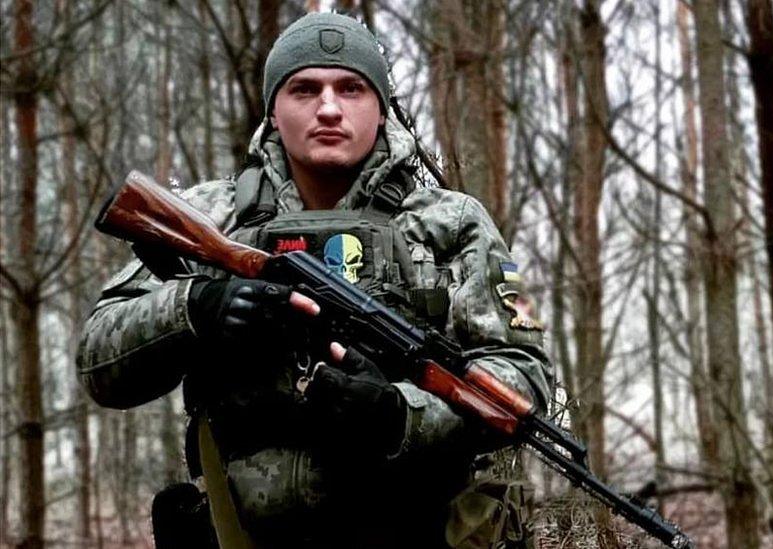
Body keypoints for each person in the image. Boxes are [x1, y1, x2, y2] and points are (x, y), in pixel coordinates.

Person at [76, 11, 551, 549]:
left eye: (351, 88)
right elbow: (97, 361)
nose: (329, 108)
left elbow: (522, 373)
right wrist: (196, 306)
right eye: (304, 89)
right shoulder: (212, 217)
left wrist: (401, 415)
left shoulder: (451, 221)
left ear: (381, 108)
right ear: (274, 111)